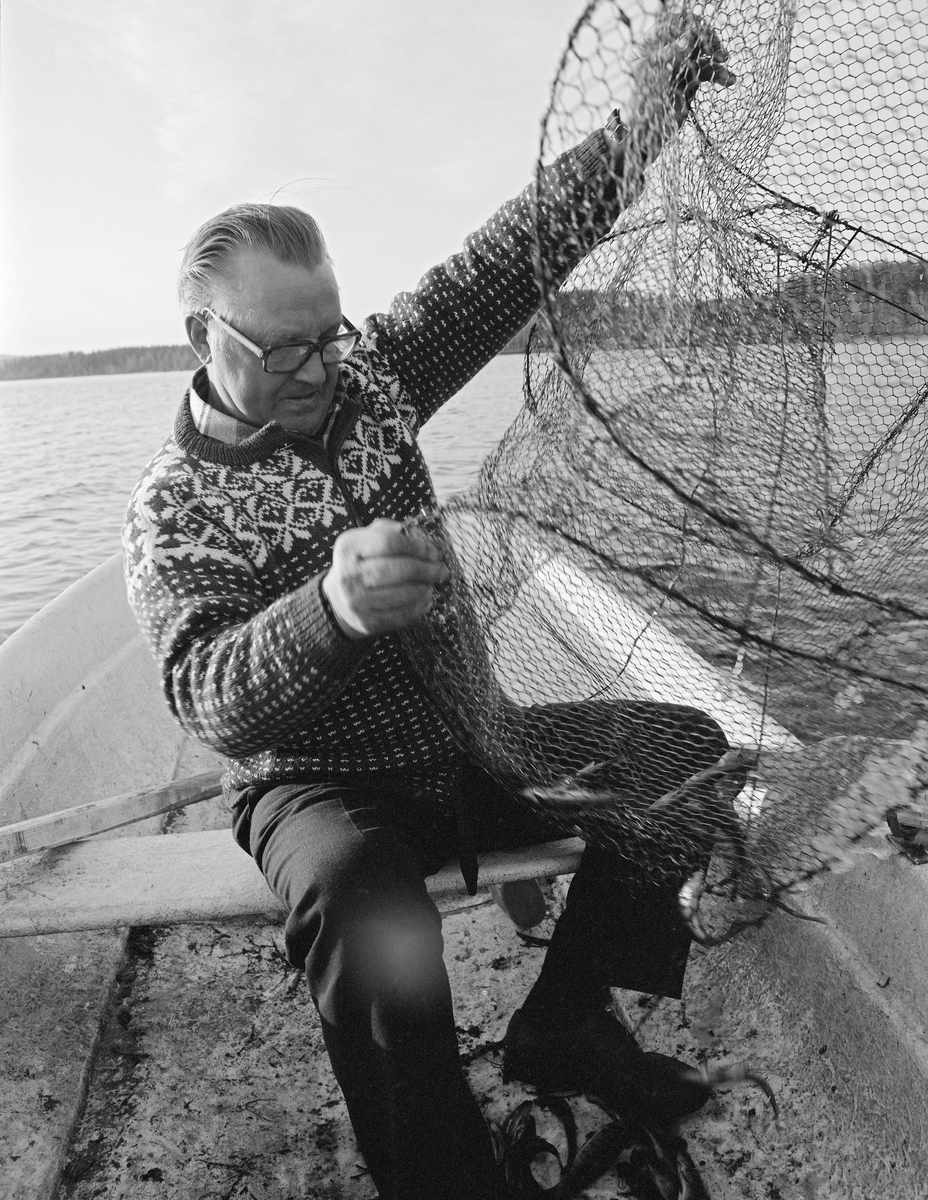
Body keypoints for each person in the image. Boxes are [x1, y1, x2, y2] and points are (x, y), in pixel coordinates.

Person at [124, 14, 735, 1200]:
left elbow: (513, 253)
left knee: (686, 747)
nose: (317, 374)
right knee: (369, 922)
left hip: (466, 736)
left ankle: (564, 1022)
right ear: (203, 336)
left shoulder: (377, 381)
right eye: (281, 351)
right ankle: (439, 1175)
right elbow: (210, 694)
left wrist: (643, 123)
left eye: (328, 338)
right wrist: (330, 608)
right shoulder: (174, 506)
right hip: (316, 783)